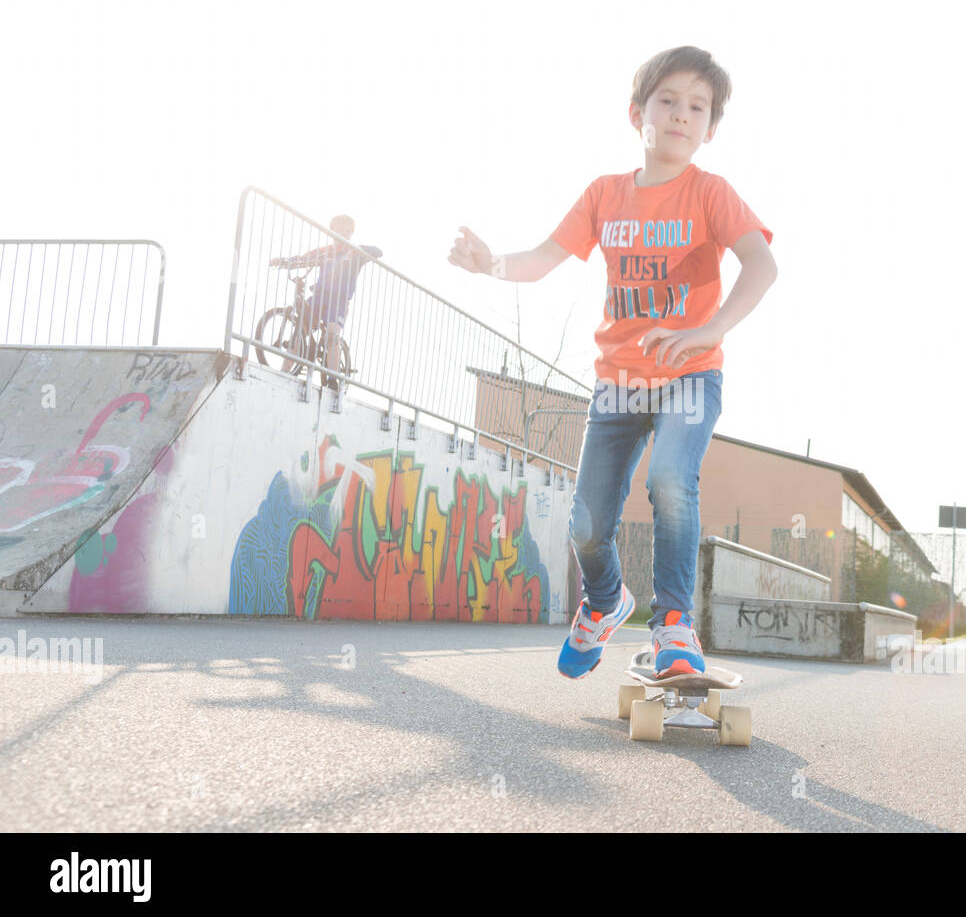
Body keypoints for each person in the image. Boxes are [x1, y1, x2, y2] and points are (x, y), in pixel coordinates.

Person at [447, 46, 778, 679]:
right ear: (637, 115)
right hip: (618, 384)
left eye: (698, 107)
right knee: (588, 526)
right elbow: (542, 259)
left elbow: (762, 265)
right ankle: (605, 603)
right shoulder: (605, 195)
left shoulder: (711, 194)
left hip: (690, 373)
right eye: (668, 101)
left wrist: (707, 330)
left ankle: (675, 626)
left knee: (671, 483)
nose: (682, 115)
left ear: (711, 127)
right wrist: (490, 263)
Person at [269, 215, 382, 389]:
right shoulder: (325, 251)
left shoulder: (357, 254)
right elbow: (303, 259)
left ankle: (333, 378)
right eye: (340, 230)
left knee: (331, 335)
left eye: (347, 231)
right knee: (299, 331)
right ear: (332, 231)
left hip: (339, 301)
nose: (344, 234)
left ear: (352, 234)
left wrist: (358, 249)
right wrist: (284, 262)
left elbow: (378, 252)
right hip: (320, 297)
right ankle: (284, 372)